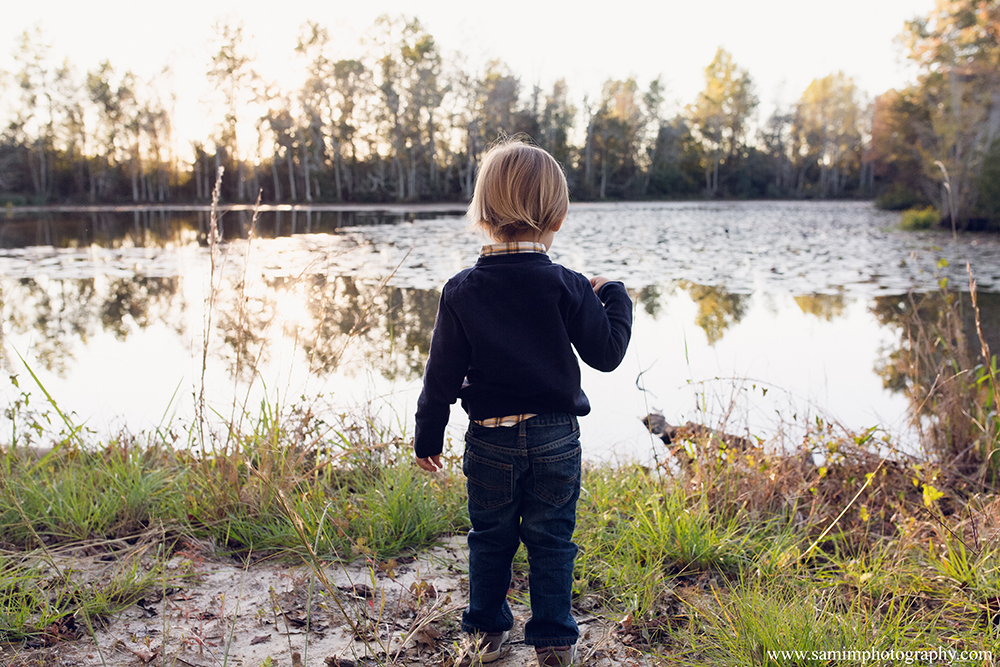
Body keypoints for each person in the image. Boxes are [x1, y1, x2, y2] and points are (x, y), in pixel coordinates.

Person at [414, 138, 632, 667]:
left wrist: (428, 436)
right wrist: (615, 295)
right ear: (556, 214)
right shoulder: (569, 285)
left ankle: (486, 636)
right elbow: (607, 355)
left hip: (488, 438)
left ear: (484, 212)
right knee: (552, 538)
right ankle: (554, 642)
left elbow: (440, 374)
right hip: (556, 436)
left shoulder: (462, 289)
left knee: (489, 537)